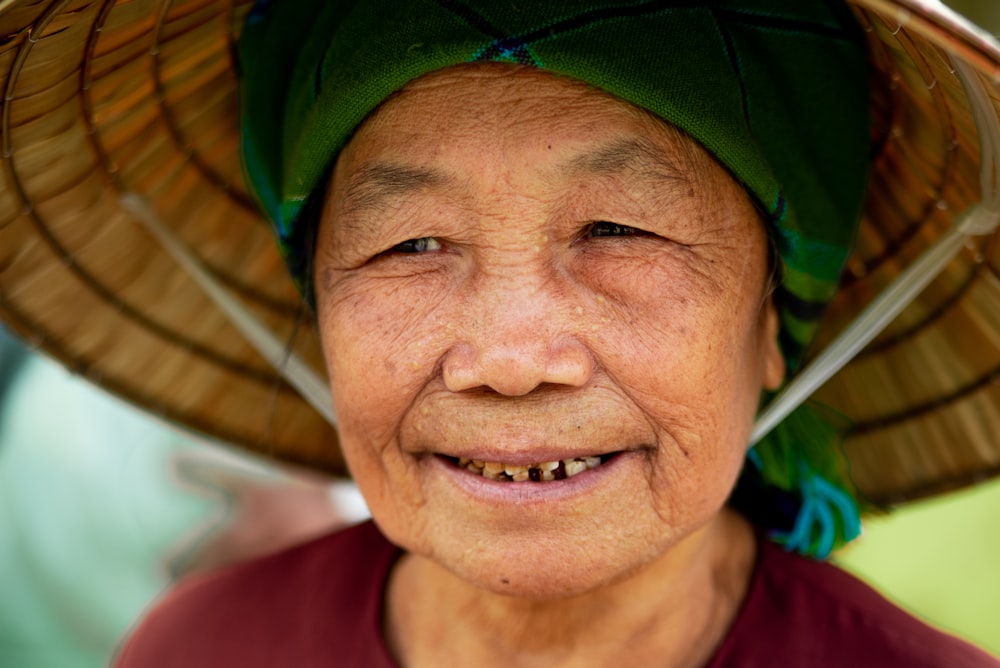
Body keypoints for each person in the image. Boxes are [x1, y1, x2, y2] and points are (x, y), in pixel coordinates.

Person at [2, 0, 999, 666]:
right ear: (318, 310)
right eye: (410, 242)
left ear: (773, 325)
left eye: (619, 229)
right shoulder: (204, 649)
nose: (512, 360)